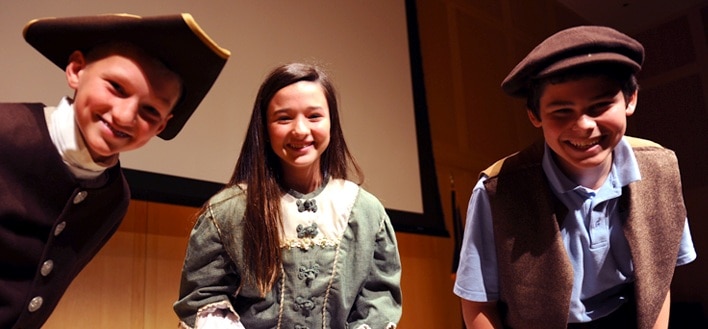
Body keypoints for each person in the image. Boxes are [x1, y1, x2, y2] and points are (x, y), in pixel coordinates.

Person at [453, 25, 696, 329]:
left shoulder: (660, 168)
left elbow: (659, 280)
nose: (583, 126)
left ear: (630, 99)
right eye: (562, 111)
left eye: (600, 106)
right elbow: (477, 304)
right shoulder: (497, 191)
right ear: (534, 115)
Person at [0, 13, 230, 328]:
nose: (124, 116)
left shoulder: (114, 197)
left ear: (162, 125)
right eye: (117, 87)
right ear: (76, 70)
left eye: (150, 111)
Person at [174, 63, 403, 329]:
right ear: (264, 127)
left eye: (314, 116)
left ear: (332, 122)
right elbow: (203, 297)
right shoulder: (228, 211)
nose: (300, 130)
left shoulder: (366, 212)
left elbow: (379, 300)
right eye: (284, 118)